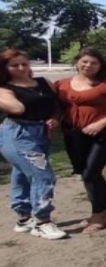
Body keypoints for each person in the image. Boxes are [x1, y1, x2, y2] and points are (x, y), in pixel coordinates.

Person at [56, 47, 106, 233]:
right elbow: (59, 107)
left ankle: (98, 214)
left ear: (100, 65)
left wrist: (101, 123)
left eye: (93, 62)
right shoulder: (62, 84)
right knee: (86, 173)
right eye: (84, 61)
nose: (88, 65)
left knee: (91, 172)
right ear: (77, 62)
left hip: (103, 134)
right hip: (74, 135)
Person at [0, 49, 67, 240]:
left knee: (21, 173)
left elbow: (57, 105)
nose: (21, 68)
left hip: (40, 132)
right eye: (14, 65)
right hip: (17, 133)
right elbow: (17, 108)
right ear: (6, 68)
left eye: (24, 63)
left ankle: (23, 218)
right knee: (43, 175)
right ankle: (42, 221)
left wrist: (55, 118)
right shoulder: (4, 88)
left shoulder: (44, 82)